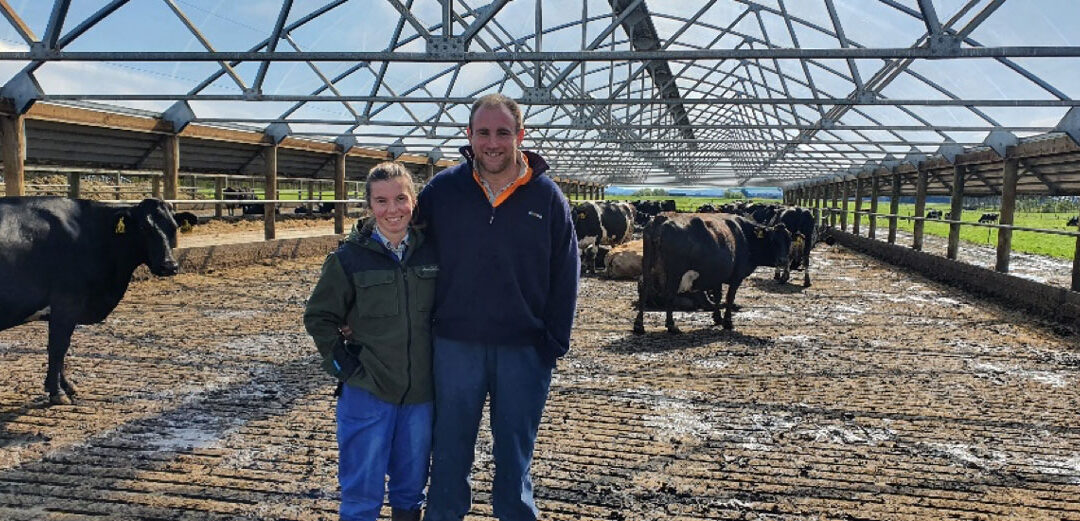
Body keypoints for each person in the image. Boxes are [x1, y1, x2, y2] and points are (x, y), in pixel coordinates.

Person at [418, 93, 580, 520]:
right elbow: (406, 247)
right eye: (483, 132)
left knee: (514, 456)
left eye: (502, 133)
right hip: (455, 346)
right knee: (449, 452)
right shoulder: (443, 191)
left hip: (524, 352)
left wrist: (552, 344)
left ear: (520, 137)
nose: (492, 142)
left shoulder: (546, 197)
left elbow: (567, 273)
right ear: (468, 135)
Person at [304, 161, 439, 521]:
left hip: (421, 393)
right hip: (368, 389)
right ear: (369, 206)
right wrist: (343, 367)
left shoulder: (434, 254)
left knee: (411, 489)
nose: (392, 210)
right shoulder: (348, 259)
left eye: (400, 198)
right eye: (381, 201)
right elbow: (319, 317)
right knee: (362, 490)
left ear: (413, 200)